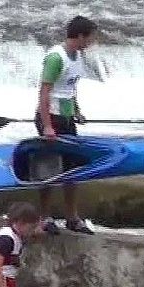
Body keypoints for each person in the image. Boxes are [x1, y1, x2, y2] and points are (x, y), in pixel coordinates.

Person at [36, 15, 98, 234]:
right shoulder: (56, 57)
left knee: (74, 169)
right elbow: (44, 93)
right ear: (80, 36)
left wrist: (77, 111)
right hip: (50, 117)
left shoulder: (77, 57)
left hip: (67, 118)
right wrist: (47, 126)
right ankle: (44, 217)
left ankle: (72, 218)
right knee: (51, 170)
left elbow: (71, 89)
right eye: (90, 38)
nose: (91, 43)